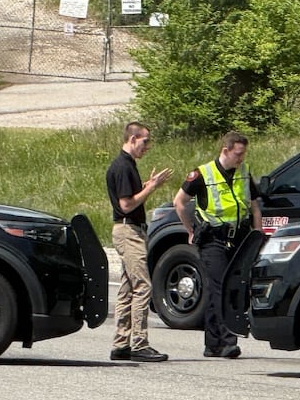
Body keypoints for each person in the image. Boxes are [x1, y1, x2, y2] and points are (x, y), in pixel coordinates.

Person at [173, 130, 263, 358]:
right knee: (222, 287)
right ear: (226, 150)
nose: (241, 159)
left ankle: (212, 343)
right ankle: (228, 340)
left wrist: (258, 235)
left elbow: (254, 207)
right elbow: (179, 202)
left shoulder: (244, 172)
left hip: (239, 237)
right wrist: (190, 229)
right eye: (238, 154)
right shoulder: (203, 174)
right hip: (213, 239)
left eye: (243, 154)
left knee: (221, 289)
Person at [106, 121, 173, 362]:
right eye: (145, 141)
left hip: (129, 230)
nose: (148, 147)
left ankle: (121, 342)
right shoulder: (123, 166)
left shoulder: (127, 165)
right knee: (143, 286)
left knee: (128, 287)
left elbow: (129, 198)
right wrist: (151, 188)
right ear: (132, 139)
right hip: (128, 231)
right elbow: (126, 205)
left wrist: (145, 186)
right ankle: (139, 343)